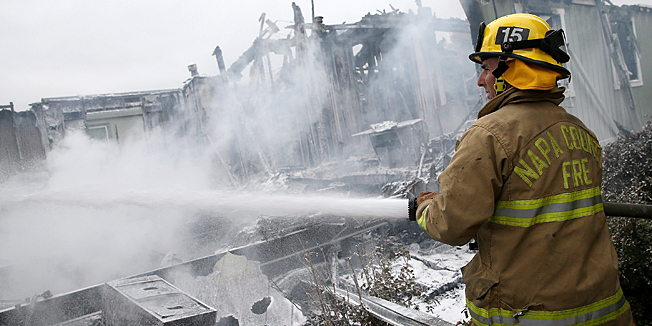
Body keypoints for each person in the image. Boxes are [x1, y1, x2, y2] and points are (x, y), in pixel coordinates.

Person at [414, 13, 635, 325]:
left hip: (528, 314)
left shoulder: (489, 135)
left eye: (486, 69)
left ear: (511, 68)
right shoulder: (581, 132)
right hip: (605, 309)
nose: (480, 81)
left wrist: (426, 209)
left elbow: (451, 225)